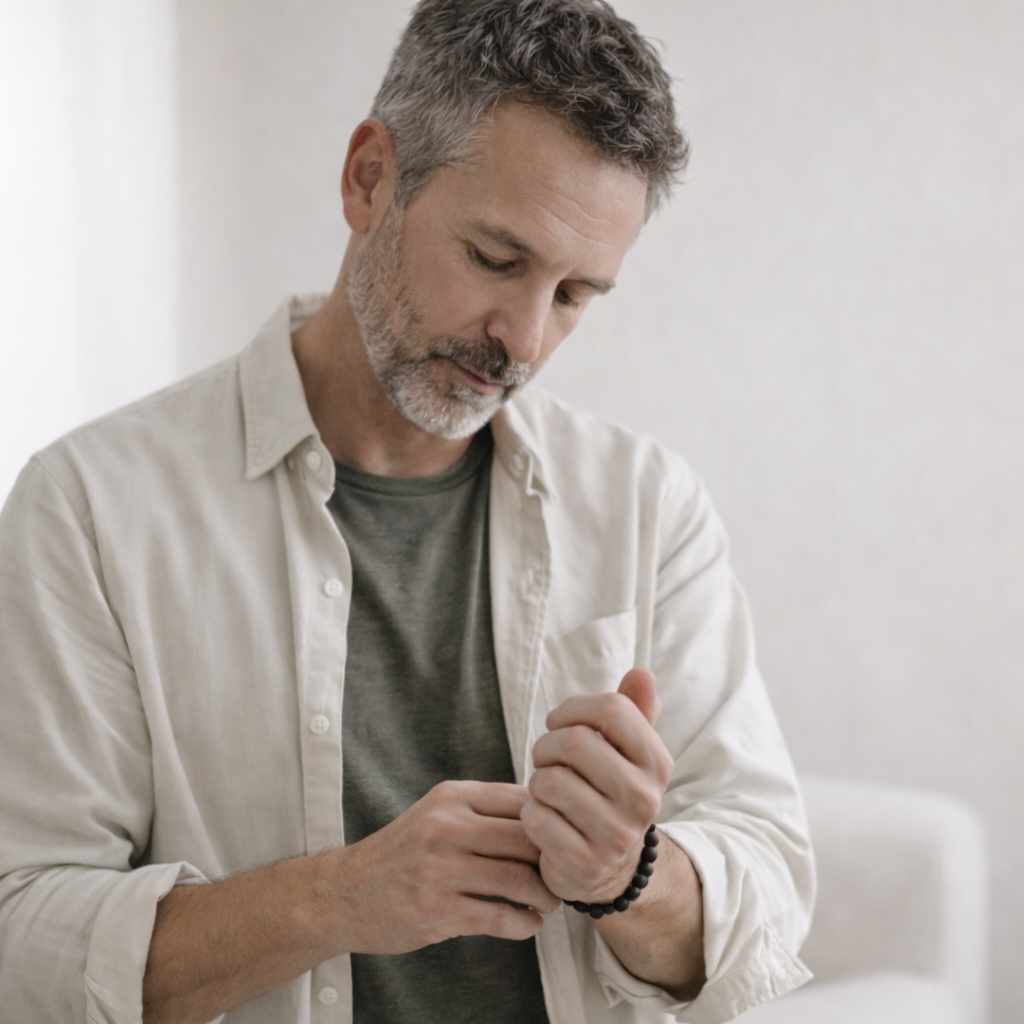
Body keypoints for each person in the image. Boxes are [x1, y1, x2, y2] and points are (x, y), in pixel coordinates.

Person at [0, 1, 815, 1022]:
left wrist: (626, 874)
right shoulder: (89, 506)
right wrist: (341, 896)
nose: (521, 338)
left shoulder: (649, 505)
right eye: (496, 259)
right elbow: (21, 934)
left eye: (574, 295)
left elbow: (767, 899)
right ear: (368, 177)